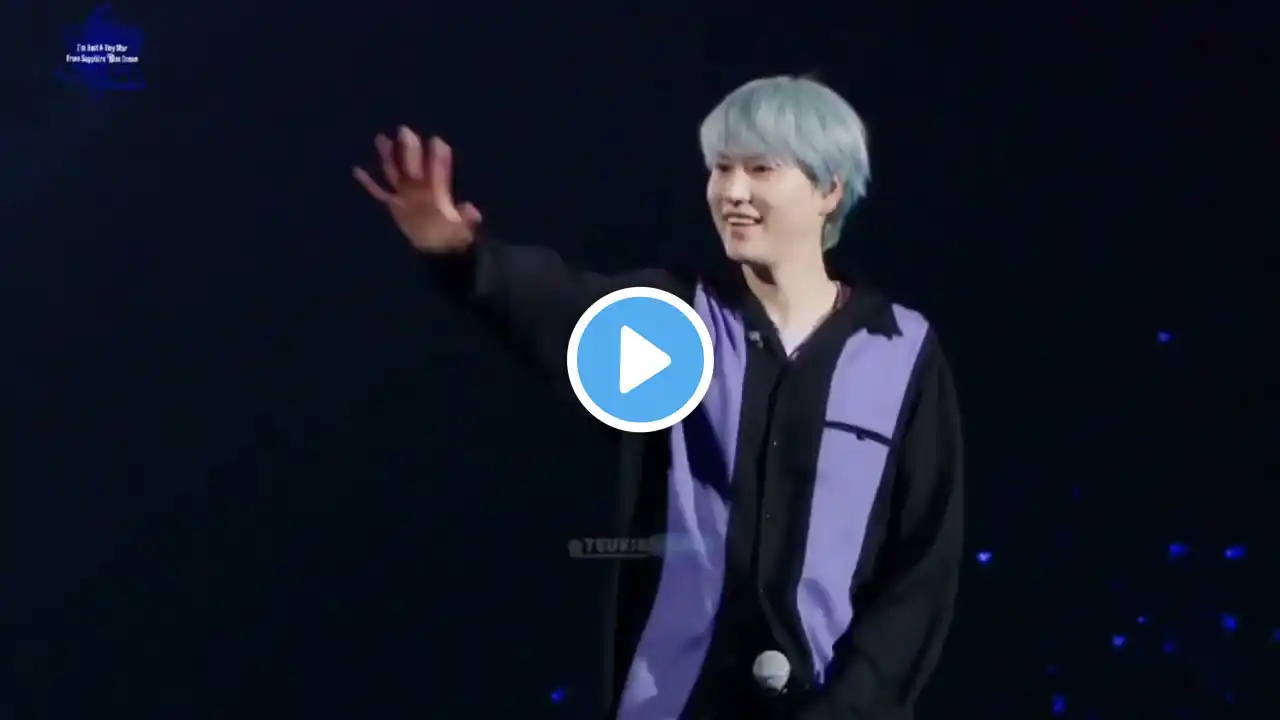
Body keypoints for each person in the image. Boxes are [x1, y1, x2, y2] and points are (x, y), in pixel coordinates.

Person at [354, 75, 964, 720]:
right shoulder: (677, 320)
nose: (732, 191)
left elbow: (923, 563)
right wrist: (459, 252)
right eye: (721, 168)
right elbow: (553, 307)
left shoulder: (901, 351)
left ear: (829, 190)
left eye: (760, 168)